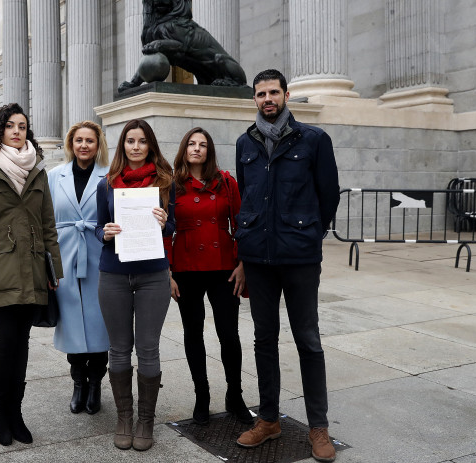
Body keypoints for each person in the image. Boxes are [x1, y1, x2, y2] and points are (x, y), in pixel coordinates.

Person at [234, 69, 340, 463]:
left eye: (273, 92)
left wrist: (311, 236)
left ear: (286, 95)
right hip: (258, 259)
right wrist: (245, 251)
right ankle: (269, 419)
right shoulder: (246, 142)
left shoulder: (313, 139)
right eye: (261, 94)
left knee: (307, 340)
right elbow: (246, 197)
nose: (267, 99)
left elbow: (328, 195)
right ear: (255, 99)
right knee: (264, 341)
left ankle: (318, 426)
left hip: (299, 258)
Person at [0, 102, 62, 448]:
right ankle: (0, 414)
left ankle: (16, 414)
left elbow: (48, 225)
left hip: (33, 269)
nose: (17, 131)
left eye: (22, 126)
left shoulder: (38, 171)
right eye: (10, 126)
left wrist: (54, 270)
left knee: (23, 345)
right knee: (5, 344)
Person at [95, 118, 174, 452]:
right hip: (114, 272)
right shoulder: (108, 184)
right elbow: (99, 227)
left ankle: (146, 420)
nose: (136, 147)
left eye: (142, 141)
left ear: (150, 145)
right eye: (130, 141)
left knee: (148, 348)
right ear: (122, 145)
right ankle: (124, 417)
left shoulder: (167, 182)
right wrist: (105, 232)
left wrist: (165, 223)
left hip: (153, 275)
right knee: (118, 348)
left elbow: (175, 231)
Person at [166, 127, 252, 426]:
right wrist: (167, 270)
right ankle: (201, 395)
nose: (197, 149)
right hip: (186, 267)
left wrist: (242, 263)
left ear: (209, 151)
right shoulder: (172, 185)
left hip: (223, 266)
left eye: (203, 144)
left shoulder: (226, 182)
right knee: (193, 333)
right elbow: (164, 230)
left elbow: (242, 223)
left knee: (229, 334)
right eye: (191, 143)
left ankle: (235, 395)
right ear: (184, 149)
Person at [47, 121, 111, 415]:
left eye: (90, 141)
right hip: (64, 255)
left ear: (98, 146)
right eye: (79, 140)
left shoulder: (110, 176)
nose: (84, 145)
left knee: (100, 322)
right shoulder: (53, 176)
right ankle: (78, 382)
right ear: (71, 144)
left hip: (99, 255)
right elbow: (45, 220)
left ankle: (96, 382)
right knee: (71, 321)